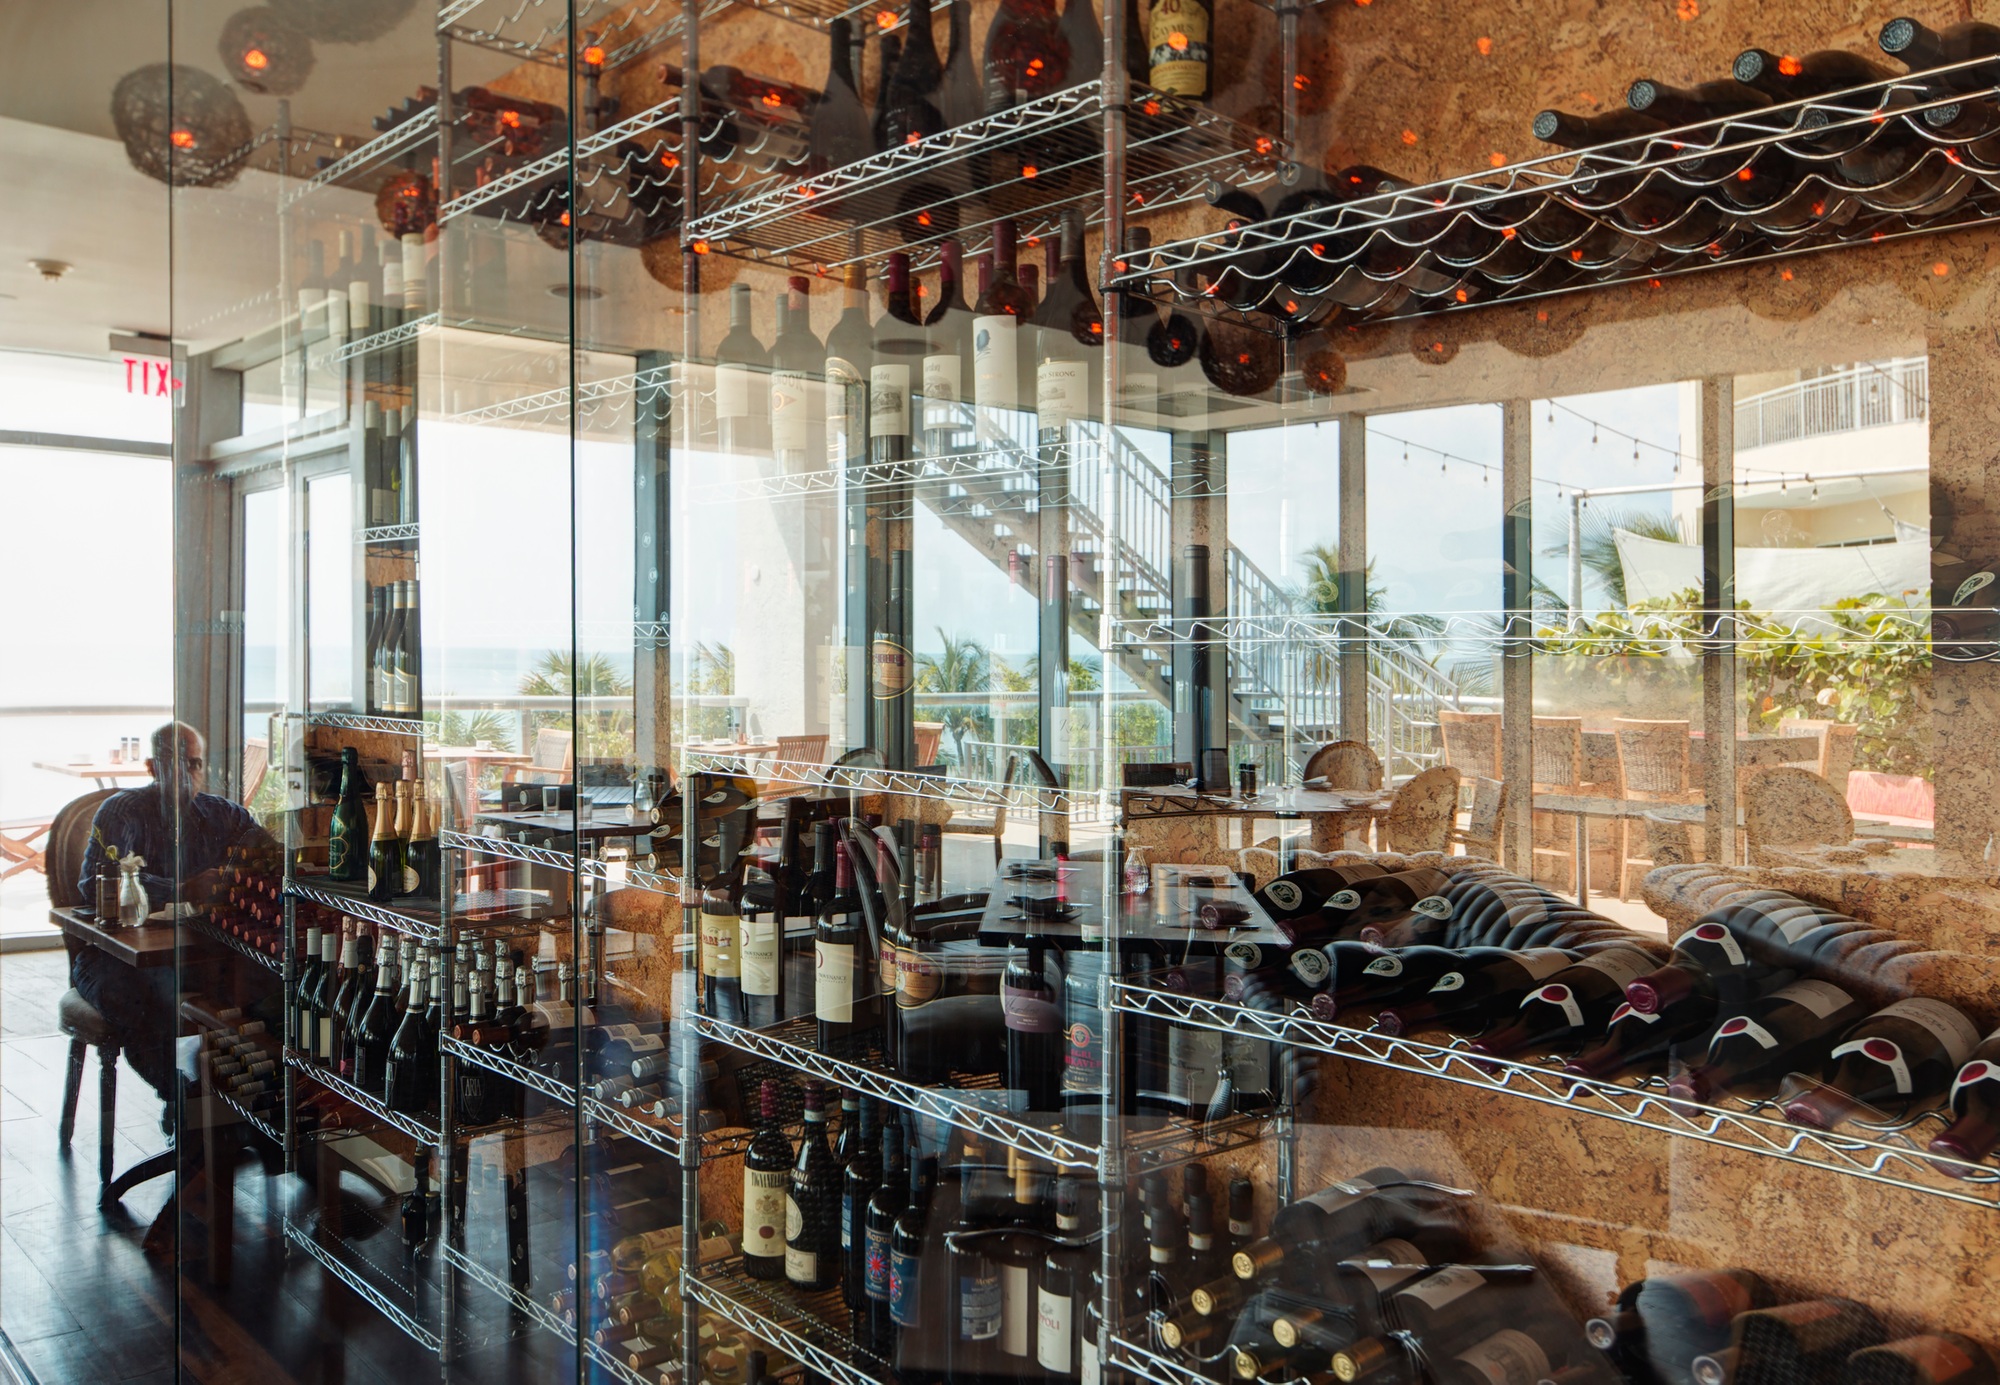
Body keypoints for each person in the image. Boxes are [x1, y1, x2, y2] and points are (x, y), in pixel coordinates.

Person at [74, 721, 274, 1104]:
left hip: (197, 954)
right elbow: (93, 886)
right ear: (152, 767)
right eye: (175, 762)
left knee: (268, 985)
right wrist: (180, 890)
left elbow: (270, 856)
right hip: (114, 959)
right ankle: (183, 1101)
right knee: (150, 999)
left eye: (195, 764)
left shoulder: (224, 815)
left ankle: (239, 1103)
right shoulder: (122, 811)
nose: (187, 773)